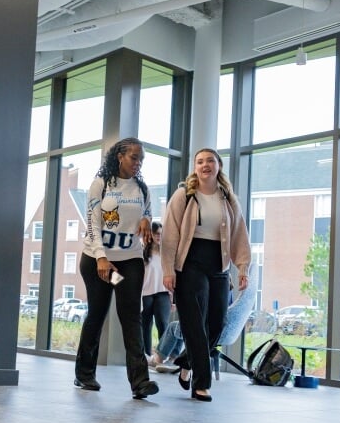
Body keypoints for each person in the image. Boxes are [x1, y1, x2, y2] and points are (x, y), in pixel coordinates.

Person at [160, 148, 250, 402]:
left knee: (217, 324)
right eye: (200, 161)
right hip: (189, 264)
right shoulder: (184, 195)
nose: (205, 165)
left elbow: (240, 235)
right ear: (195, 168)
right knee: (194, 324)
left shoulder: (228, 199)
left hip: (218, 264)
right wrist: (168, 271)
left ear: (219, 166)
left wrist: (242, 267)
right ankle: (202, 384)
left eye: (210, 160)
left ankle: (186, 362)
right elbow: (169, 237)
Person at [74, 138, 160, 400]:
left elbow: (147, 213)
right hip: (98, 260)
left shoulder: (141, 188)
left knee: (131, 316)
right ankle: (84, 374)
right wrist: (101, 258)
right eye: (134, 157)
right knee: (97, 314)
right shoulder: (101, 185)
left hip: (128, 261)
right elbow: (93, 225)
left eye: (141, 159)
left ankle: (140, 382)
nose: (138, 163)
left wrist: (147, 219)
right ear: (120, 156)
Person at [140, 220, 172, 370]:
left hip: (163, 293)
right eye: (156, 233)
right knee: (145, 326)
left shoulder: (166, 253)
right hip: (145, 294)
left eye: (161, 233)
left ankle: (161, 357)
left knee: (163, 325)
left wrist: (173, 298)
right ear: (150, 234)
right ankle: (146, 357)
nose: (159, 236)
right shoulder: (142, 252)